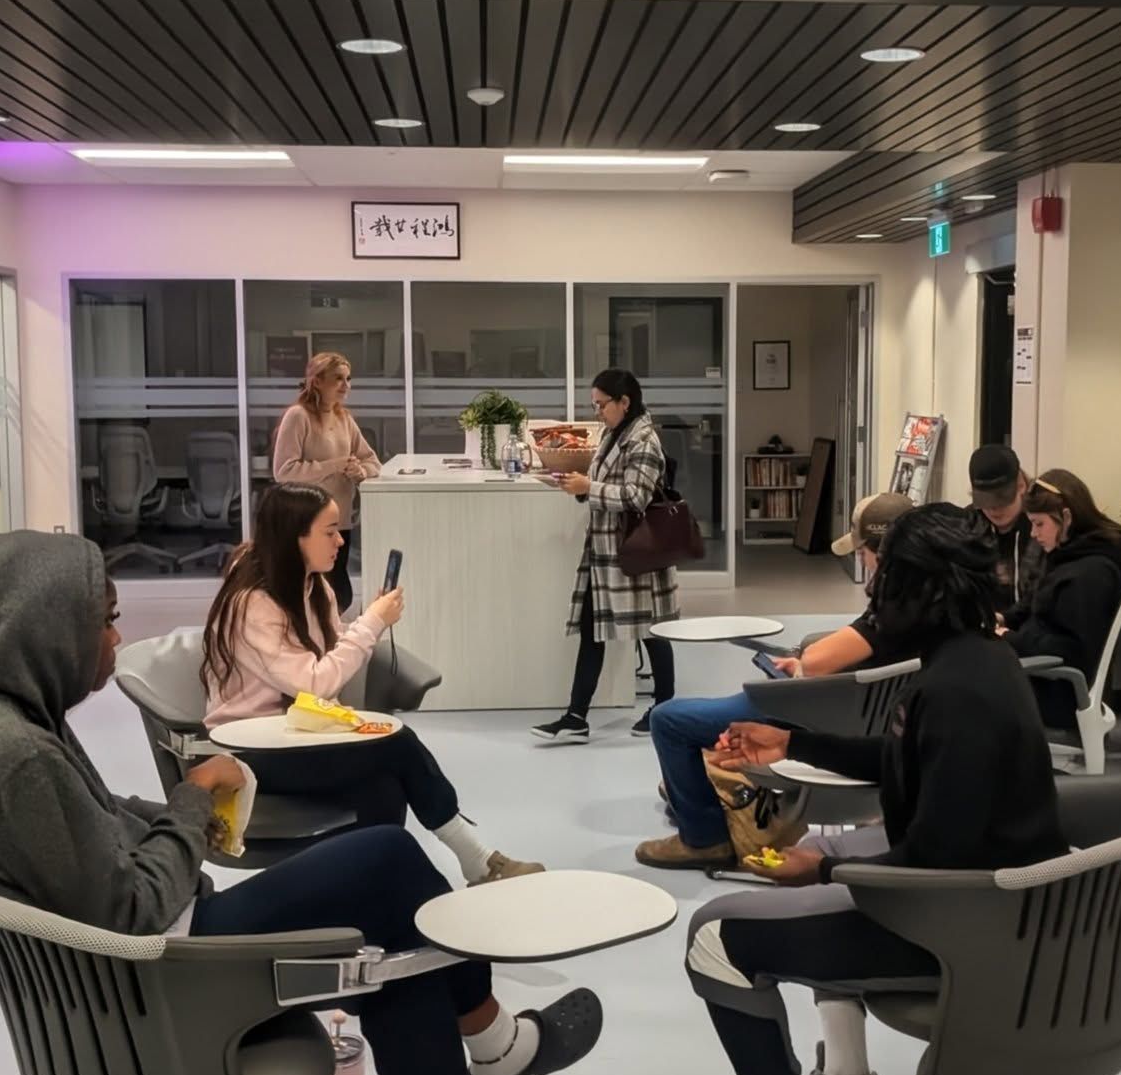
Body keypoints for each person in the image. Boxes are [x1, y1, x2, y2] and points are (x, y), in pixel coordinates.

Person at [0, 530, 601, 1075]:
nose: (117, 636)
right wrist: (187, 805)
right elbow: (131, 912)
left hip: (113, 988)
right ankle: (489, 1067)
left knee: (394, 933)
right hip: (161, 979)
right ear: (47, 627)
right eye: (105, 618)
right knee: (390, 868)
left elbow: (92, 826)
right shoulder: (18, 757)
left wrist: (167, 814)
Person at [679, 504, 1064, 1075]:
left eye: (884, 574)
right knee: (823, 858)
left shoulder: (955, 693)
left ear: (916, 590)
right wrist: (788, 740)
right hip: (1000, 909)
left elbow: (932, 862)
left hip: (962, 930)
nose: (872, 588)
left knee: (715, 940)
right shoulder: (979, 663)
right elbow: (909, 767)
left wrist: (817, 874)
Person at [204, 482, 542, 885]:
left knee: (383, 784)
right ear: (294, 537)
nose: (340, 541)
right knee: (394, 745)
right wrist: (372, 623)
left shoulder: (313, 586)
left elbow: (328, 660)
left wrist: (367, 624)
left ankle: (375, 885)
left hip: (298, 735)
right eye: (328, 532)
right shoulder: (254, 604)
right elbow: (313, 683)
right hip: (253, 749)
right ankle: (477, 860)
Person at [635, 492, 915, 870]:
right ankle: (698, 793)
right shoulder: (932, 602)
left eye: (862, 551)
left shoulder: (891, 608)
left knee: (669, 720)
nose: (859, 559)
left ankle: (703, 839)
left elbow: (819, 661)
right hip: (871, 722)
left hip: (815, 716)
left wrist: (803, 665)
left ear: (881, 551)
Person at [532, 368, 679, 743]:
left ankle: (665, 709)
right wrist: (575, 485)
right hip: (606, 553)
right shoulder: (617, 434)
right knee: (591, 630)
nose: (597, 411)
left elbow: (635, 497)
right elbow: (607, 484)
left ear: (624, 402)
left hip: (634, 554)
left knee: (653, 632)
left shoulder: (644, 440)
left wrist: (589, 487)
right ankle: (575, 717)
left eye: (601, 404)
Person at [1002, 469, 1121, 729]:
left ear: (1066, 517)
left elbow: (1069, 651)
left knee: (960, 684)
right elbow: (1038, 605)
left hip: (1056, 692)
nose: (1033, 533)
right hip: (1043, 676)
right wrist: (1003, 619)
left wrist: (1009, 638)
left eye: (1039, 524)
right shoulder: (1069, 556)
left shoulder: (1090, 574)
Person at [271, 352, 380, 614]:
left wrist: (358, 470)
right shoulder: (298, 416)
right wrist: (334, 465)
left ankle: (328, 645)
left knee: (339, 594)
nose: (346, 386)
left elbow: (373, 462)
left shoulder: (344, 419)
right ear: (317, 381)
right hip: (308, 521)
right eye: (338, 379)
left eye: (348, 379)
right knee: (319, 596)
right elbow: (283, 471)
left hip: (340, 521)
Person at [968, 443, 1044, 616]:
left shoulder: (1043, 525)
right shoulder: (968, 525)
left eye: (1002, 498)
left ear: (1021, 486)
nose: (994, 508)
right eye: (985, 500)